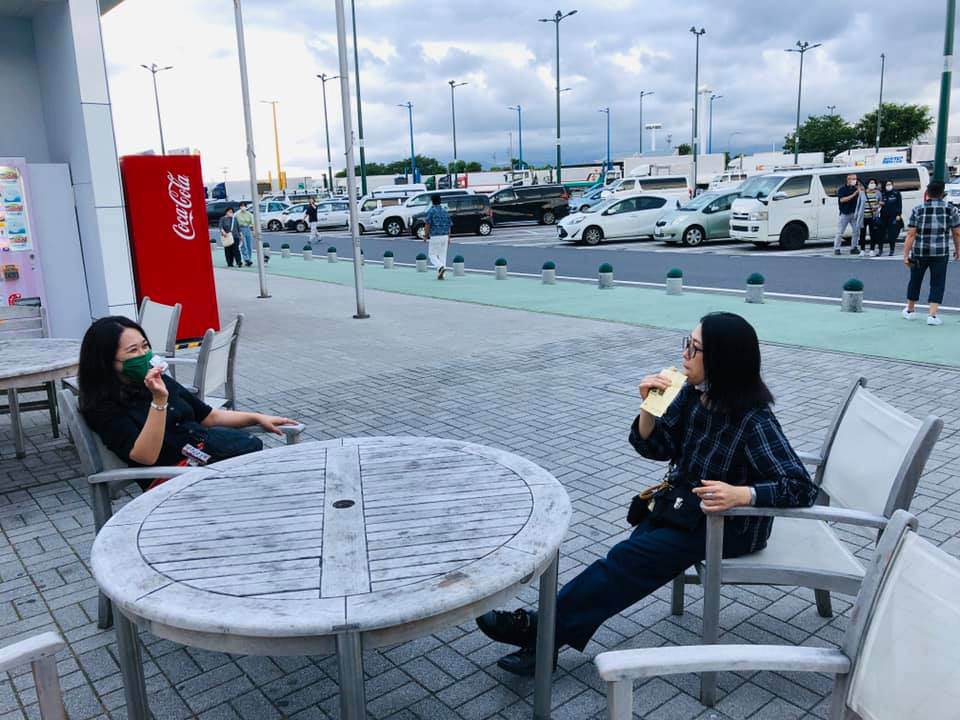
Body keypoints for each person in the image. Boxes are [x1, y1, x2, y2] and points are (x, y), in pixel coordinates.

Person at [476, 312, 818, 676]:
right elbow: (657, 447)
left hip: (729, 526)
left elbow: (801, 487)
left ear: (722, 359)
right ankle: (544, 644)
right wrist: (649, 409)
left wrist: (742, 495)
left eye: (695, 348)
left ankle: (537, 627)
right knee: (623, 563)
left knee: (625, 563)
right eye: (687, 343)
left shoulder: (754, 419)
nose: (685, 353)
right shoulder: (694, 395)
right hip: (686, 508)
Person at [78, 316, 296, 486]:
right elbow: (145, 456)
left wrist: (257, 417)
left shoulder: (155, 379)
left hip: (206, 457)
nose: (144, 354)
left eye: (145, 346)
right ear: (107, 361)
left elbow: (209, 416)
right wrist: (159, 401)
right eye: (133, 350)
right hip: (172, 478)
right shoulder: (102, 404)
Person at [902, 179, 960, 326]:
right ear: (943, 194)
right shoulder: (951, 210)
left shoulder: (918, 209)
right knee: (938, 282)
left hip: (919, 251)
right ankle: (932, 315)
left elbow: (911, 234)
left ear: (927, 193)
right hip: (940, 252)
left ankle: (910, 310)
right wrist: (958, 249)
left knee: (915, 279)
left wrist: (906, 255)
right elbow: (957, 233)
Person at [422, 194, 452, 280]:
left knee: (432, 255)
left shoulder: (431, 211)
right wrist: (449, 237)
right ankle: (441, 274)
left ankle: (440, 267)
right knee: (443, 255)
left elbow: (427, 224)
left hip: (435, 235)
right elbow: (449, 225)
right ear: (440, 201)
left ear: (432, 201)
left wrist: (425, 235)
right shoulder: (445, 211)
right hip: (445, 236)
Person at [834, 173, 863, 255]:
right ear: (848, 180)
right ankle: (837, 248)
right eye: (853, 179)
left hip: (855, 213)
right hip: (845, 213)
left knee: (856, 231)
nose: (854, 181)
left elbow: (862, 198)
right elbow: (842, 200)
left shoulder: (856, 188)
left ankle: (854, 248)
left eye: (855, 179)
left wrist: (860, 190)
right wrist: (854, 194)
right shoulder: (842, 189)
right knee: (840, 232)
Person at [879, 180, 903, 257]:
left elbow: (899, 204)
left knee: (891, 234)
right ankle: (880, 250)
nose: (888, 186)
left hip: (893, 216)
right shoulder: (882, 193)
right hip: (883, 216)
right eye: (887, 184)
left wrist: (898, 214)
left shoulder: (896, 193)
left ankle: (892, 250)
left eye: (890, 184)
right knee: (881, 234)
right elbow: (877, 203)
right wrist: (880, 203)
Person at [862, 178, 883, 257]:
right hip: (863, 216)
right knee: (862, 234)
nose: (872, 184)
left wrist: (877, 206)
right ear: (867, 184)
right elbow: (859, 204)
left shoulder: (878, 193)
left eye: (874, 183)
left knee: (872, 234)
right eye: (871, 183)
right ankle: (862, 250)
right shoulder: (862, 193)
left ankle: (872, 250)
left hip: (873, 216)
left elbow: (881, 202)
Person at [235, 201, 255, 267]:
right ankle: (246, 259)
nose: (243, 207)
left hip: (248, 229)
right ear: (240, 207)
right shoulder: (237, 214)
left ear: (246, 207)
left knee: (249, 245)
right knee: (243, 245)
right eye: (241, 206)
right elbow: (235, 223)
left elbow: (253, 223)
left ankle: (249, 259)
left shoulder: (249, 214)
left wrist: (254, 231)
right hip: (241, 229)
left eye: (244, 206)